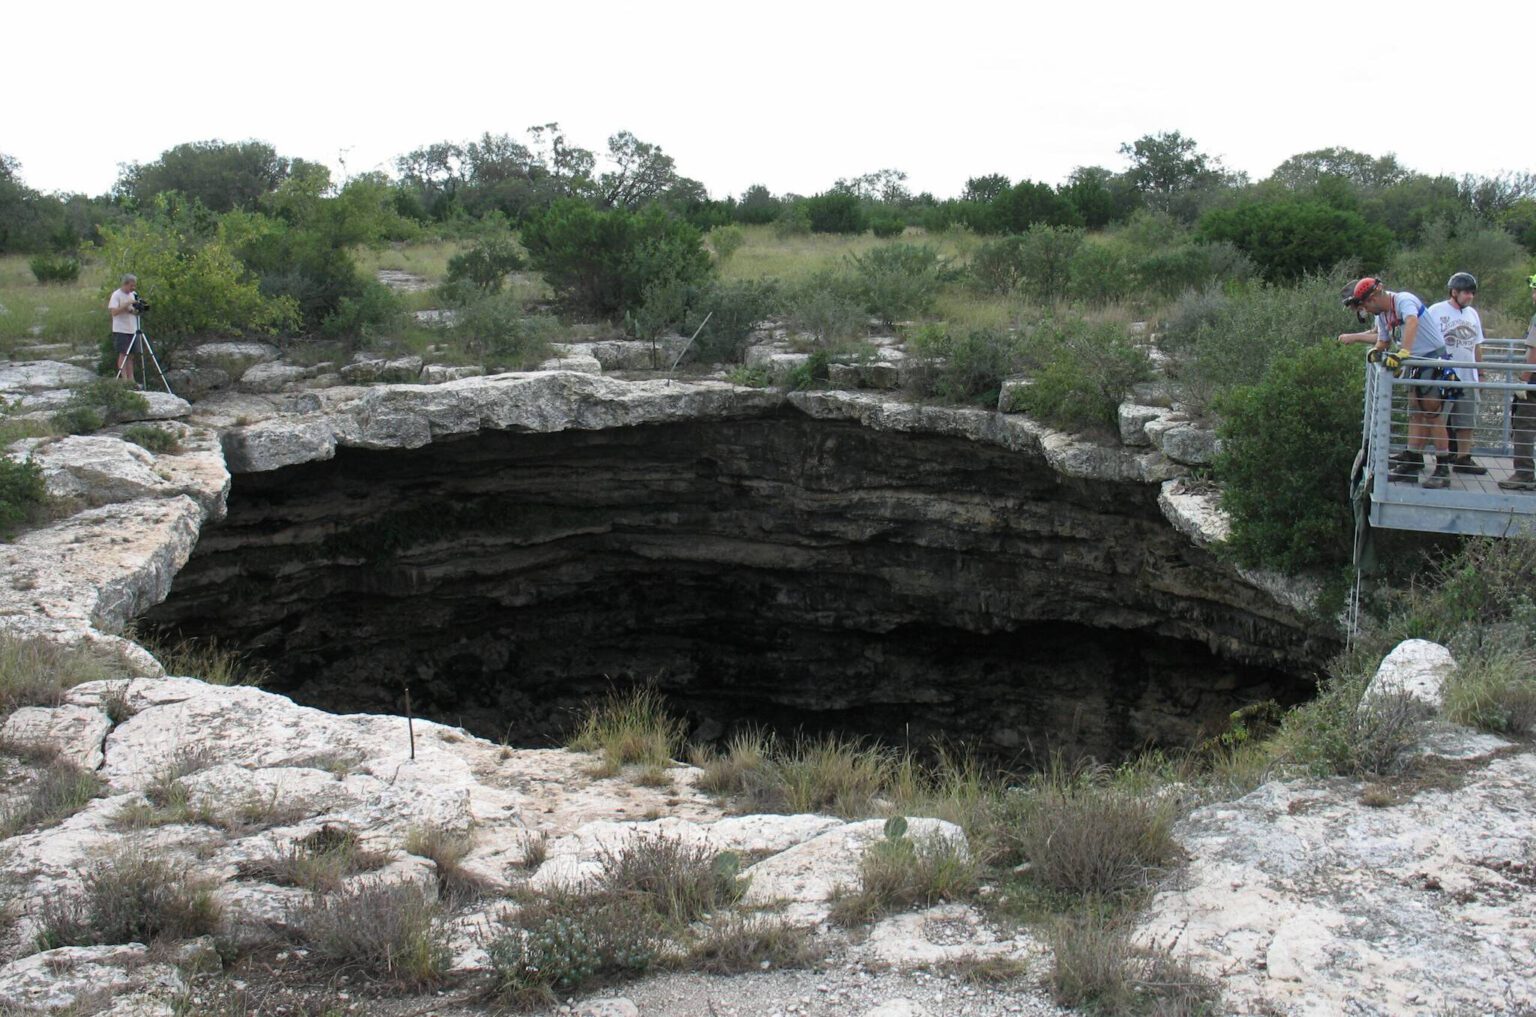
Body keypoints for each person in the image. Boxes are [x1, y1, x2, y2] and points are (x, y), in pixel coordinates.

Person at [1338, 276, 1452, 488]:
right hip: (1416, 362)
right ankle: (1412, 460)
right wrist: (1376, 351)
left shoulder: (1403, 300)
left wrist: (1403, 352)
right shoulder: (1382, 315)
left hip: (1430, 360)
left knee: (1433, 415)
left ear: (1373, 298)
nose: (1366, 310)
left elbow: (1411, 321)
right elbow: (1383, 340)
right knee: (1416, 412)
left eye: (1365, 306)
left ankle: (1443, 468)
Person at [1428, 272, 1486, 475]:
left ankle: (1463, 458)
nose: (1470, 297)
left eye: (1472, 293)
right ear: (1454, 292)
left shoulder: (1472, 314)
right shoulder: (1436, 311)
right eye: (1466, 293)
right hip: (1443, 374)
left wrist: (1481, 371)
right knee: (1440, 419)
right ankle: (1441, 459)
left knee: (1466, 420)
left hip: (1468, 376)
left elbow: (1477, 345)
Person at [1498, 273, 1536, 491]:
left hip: (1534, 380)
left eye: (1534, 290)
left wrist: (1524, 380)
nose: (1533, 295)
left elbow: (1534, 350)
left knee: (1524, 425)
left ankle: (1524, 474)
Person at [107, 274, 140, 386]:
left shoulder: (134, 295)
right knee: (123, 353)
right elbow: (114, 312)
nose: (133, 288)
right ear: (125, 284)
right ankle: (124, 378)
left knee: (131, 355)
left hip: (133, 328)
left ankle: (132, 378)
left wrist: (135, 308)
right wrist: (126, 305)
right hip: (121, 329)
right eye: (131, 286)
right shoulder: (116, 295)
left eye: (134, 286)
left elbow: (136, 311)